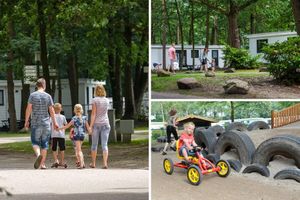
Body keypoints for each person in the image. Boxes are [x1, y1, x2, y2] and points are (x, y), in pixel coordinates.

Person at [24, 78, 59, 169]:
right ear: (44, 85)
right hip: (46, 123)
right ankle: (42, 164)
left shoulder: (32, 95)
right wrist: (55, 123)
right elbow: (51, 110)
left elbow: (29, 109)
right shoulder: (48, 96)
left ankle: (38, 155)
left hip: (36, 123)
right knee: (45, 144)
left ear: (37, 85)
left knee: (35, 142)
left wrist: (26, 121)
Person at [60, 104, 91, 169]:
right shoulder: (84, 118)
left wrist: (60, 128)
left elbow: (67, 126)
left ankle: (81, 164)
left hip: (77, 135)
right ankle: (82, 162)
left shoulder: (74, 118)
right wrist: (90, 132)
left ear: (74, 110)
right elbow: (88, 127)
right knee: (78, 150)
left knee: (78, 150)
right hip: (82, 135)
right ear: (81, 110)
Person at [89, 84, 111, 169]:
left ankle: (93, 163)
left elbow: (93, 114)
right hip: (105, 123)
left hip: (96, 125)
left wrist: (90, 126)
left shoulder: (94, 100)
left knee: (94, 145)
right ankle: (105, 163)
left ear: (95, 91)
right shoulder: (107, 100)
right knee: (104, 145)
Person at [50, 103, 68, 168]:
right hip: (61, 135)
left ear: (53, 109)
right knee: (62, 148)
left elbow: (50, 124)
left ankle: (56, 160)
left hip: (54, 135)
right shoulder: (63, 117)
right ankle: (62, 161)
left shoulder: (52, 117)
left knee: (54, 148)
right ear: (61, 109)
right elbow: (66, 124)